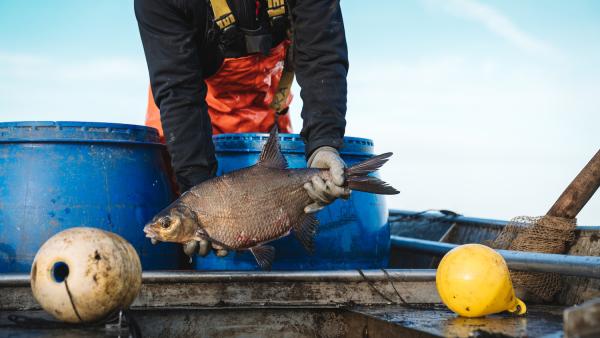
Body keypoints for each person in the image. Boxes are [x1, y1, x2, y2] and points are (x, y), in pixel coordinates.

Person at [135, 0, 349, 257]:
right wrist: (195, 184)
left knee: (281, 231)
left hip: (267, 114)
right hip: (186, 126)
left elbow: (321, 55)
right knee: (181, 247)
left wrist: (323, 142)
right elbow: (179, 93)